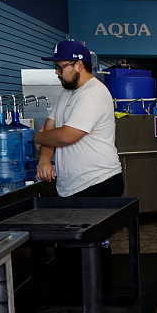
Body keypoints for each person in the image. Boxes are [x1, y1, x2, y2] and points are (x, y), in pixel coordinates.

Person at [35, 40, 123, 197]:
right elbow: (50, 126)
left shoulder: (93, 93)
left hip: (97, 182)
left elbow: (67, 136)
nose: (56, 72)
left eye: (59, 67)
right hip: (72, 185)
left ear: (79, 66)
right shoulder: (66, 92)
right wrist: (44, 159)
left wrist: (38, 136)